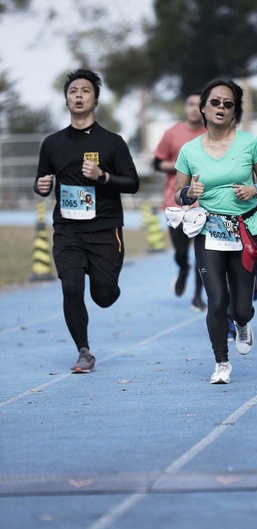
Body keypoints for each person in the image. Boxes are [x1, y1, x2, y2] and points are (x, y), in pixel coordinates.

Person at [34, 69, 140, 372]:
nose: (78, 95)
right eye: (73, 91)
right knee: (71, 287)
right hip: (68, 230)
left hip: (105, 229)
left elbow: (132, 183)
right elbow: (42, 181)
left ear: (95, 100)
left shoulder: (112, 142)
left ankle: (108, 285)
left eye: (85, 91)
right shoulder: (52, 143)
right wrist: (40, 187)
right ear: (66, 100)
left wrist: (103, 176)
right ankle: (84, 351)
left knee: (104, 296)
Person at [174, 78, 257, 384]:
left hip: (244, 230)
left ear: (234, 112)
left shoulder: (250, 144)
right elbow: (179, 194)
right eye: (215, 102)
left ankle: (242, 323)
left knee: (241, 307)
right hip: (209, 230)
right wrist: (190, 192)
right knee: (216, 300)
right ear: (203, 108)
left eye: (228, 104)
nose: (220, 108)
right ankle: (221, 363)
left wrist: (253, 189)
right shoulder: (189, 150)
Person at [153, 93, 207, 311]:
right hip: (175, 202)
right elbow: (157, 163)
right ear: (185, 108)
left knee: (202, 253)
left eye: (199, 105)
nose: (195, 109)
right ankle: (182, 268)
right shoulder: (172, 133)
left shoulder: (210, 133)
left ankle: (197, 296)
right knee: (181, 252)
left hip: (204, 202)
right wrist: (180, 165)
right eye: (191, 104)